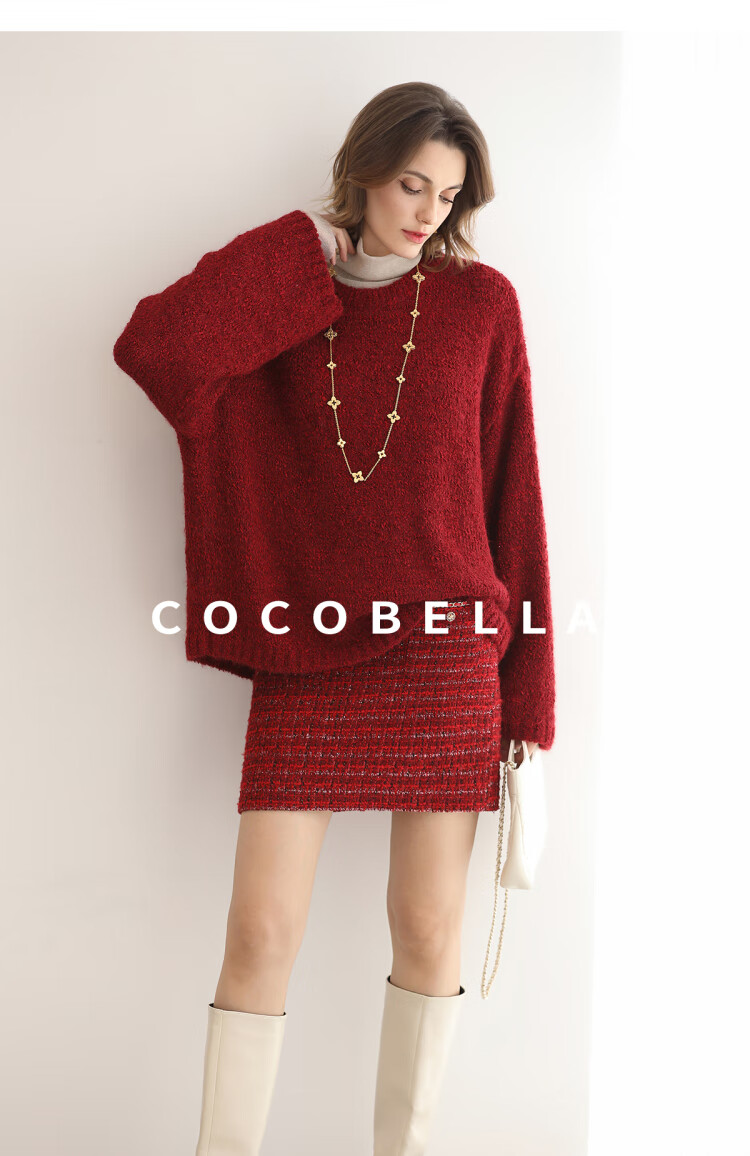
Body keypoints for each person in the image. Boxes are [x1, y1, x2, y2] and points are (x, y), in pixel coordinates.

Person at [113, 80, 555, 1156]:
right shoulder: (285, 299)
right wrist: (296, 253)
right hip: (305, 649)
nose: (427, 214)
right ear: (361, 171)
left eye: (448, 196)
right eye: (410, 185)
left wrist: (530, 702)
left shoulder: (481, 306)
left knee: (427, 927)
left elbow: (516, 496)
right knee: (260, 929)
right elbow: (158, 351)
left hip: (448, 652)